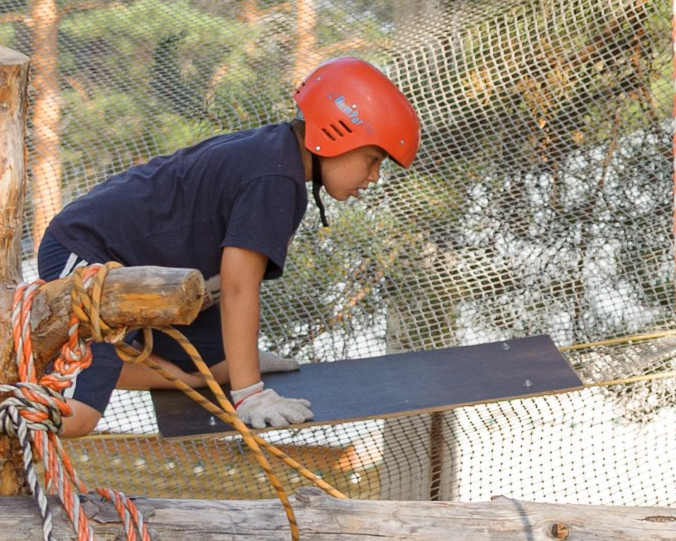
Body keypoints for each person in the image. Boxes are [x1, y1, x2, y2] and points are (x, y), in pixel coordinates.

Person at [39, 56, 420, 437]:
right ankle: (17, 394)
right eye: (372, 160)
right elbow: (239, 286)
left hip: (146, 271)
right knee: (80, 417)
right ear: (339, 133)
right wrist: (251, 393)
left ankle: (89, 364)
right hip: (86, 250)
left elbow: (227, 282)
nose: (373, 177)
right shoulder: (275, 175)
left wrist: (243, 370)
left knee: (212, 370)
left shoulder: (279, 160)